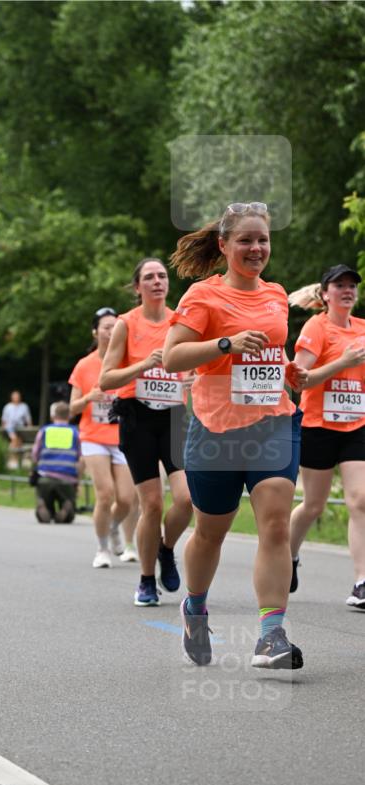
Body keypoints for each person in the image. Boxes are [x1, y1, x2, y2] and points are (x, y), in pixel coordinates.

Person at [163, 202, 308, 669]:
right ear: (224, 245)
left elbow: (270, 351)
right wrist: (225, 343)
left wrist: (288, 369)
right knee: (210, 532)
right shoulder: (202, 296)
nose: (256, 248)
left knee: (276, 523)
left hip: (273, 423)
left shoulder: (276, 294)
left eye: (263, 240)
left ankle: (270, 636)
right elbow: (172, 357)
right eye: (245, 240)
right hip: (215, 430)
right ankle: (195, 607)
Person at [100, 260, 193, 604]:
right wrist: (144, 365)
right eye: (149, 277)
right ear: (138, 287)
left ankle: (165, 548)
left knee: (187, 499)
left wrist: (193, 378)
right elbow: (106, 379)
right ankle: (146, 580)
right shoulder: (126, 324)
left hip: (173, 416)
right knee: (151, 504)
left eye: (162, 276)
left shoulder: (180, 321)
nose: (157, 281)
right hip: (136, 416)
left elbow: (194, 365)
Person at [288, 264, 365, 609]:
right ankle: (289, 556)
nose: (347, 290)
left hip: (357, 425)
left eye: (352, 286)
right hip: (318, 425)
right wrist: (342, 362)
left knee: (360, 499)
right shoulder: (315, 327)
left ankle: (362, 582)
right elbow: (299, 379)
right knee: (313, 505)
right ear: (324, 295)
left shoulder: (363, 329)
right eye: (340, 285)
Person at [69, 307, 138, 568]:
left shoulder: (128, 361)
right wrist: (90, 397)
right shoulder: (85, 365)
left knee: (126, 499)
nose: (110, 331)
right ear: (95, 332)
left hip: (122, 436)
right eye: (106, 327)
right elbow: (72, 408)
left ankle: (112, 526)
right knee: (105, 494)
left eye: (114, 326)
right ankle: (102, 548)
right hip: (93, 437)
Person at [30, 401, 81, 523]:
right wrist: (77, 479)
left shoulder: (45, 431)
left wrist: (35, 467)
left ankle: (43, 504)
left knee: (46, 504)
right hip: (67, 479)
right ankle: (67, 507)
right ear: (69, 416)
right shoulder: (75, 432)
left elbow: (35, 454)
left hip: (45, 477)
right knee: (69, 516)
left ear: (53, 416)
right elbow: (81, 457)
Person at [1, 390, 32, 455]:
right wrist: (3, 427)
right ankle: (15, 439)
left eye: (17, 397)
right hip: (9, 427)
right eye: (15, 397)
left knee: (15, 441)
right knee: (10, 426)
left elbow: (28, 418)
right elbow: (4, 419)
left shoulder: (24, 406)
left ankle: (14, 442)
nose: (16, 398)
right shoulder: (7, 407)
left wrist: (30, 428)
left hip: (20, 426)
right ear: (11, 398)